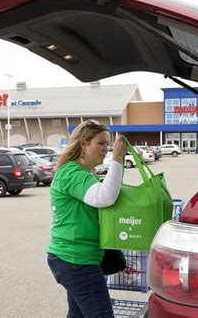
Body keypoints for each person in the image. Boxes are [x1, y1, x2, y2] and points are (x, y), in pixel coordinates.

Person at [46, 120, 128, 318]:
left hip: (75, 258)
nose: (105, 149)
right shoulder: (71, 173)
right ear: (83, 144)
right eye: (100, 143)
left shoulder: (82, 173)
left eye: (107, 145)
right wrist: (117, 158)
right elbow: (104, 197)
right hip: (75, 259)